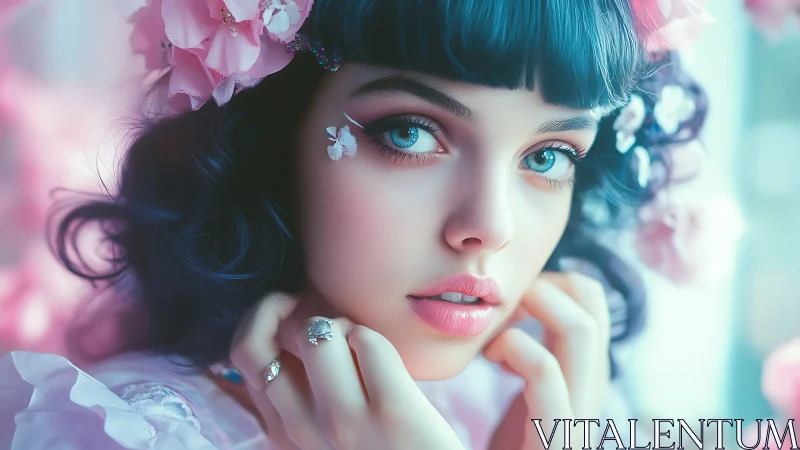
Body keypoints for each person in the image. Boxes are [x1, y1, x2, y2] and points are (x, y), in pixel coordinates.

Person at [0, 1, 712, 449]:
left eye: (549, 155)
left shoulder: (540, 405)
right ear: (273, 136)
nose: (489, 227)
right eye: (408, 134)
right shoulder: (109, 433)